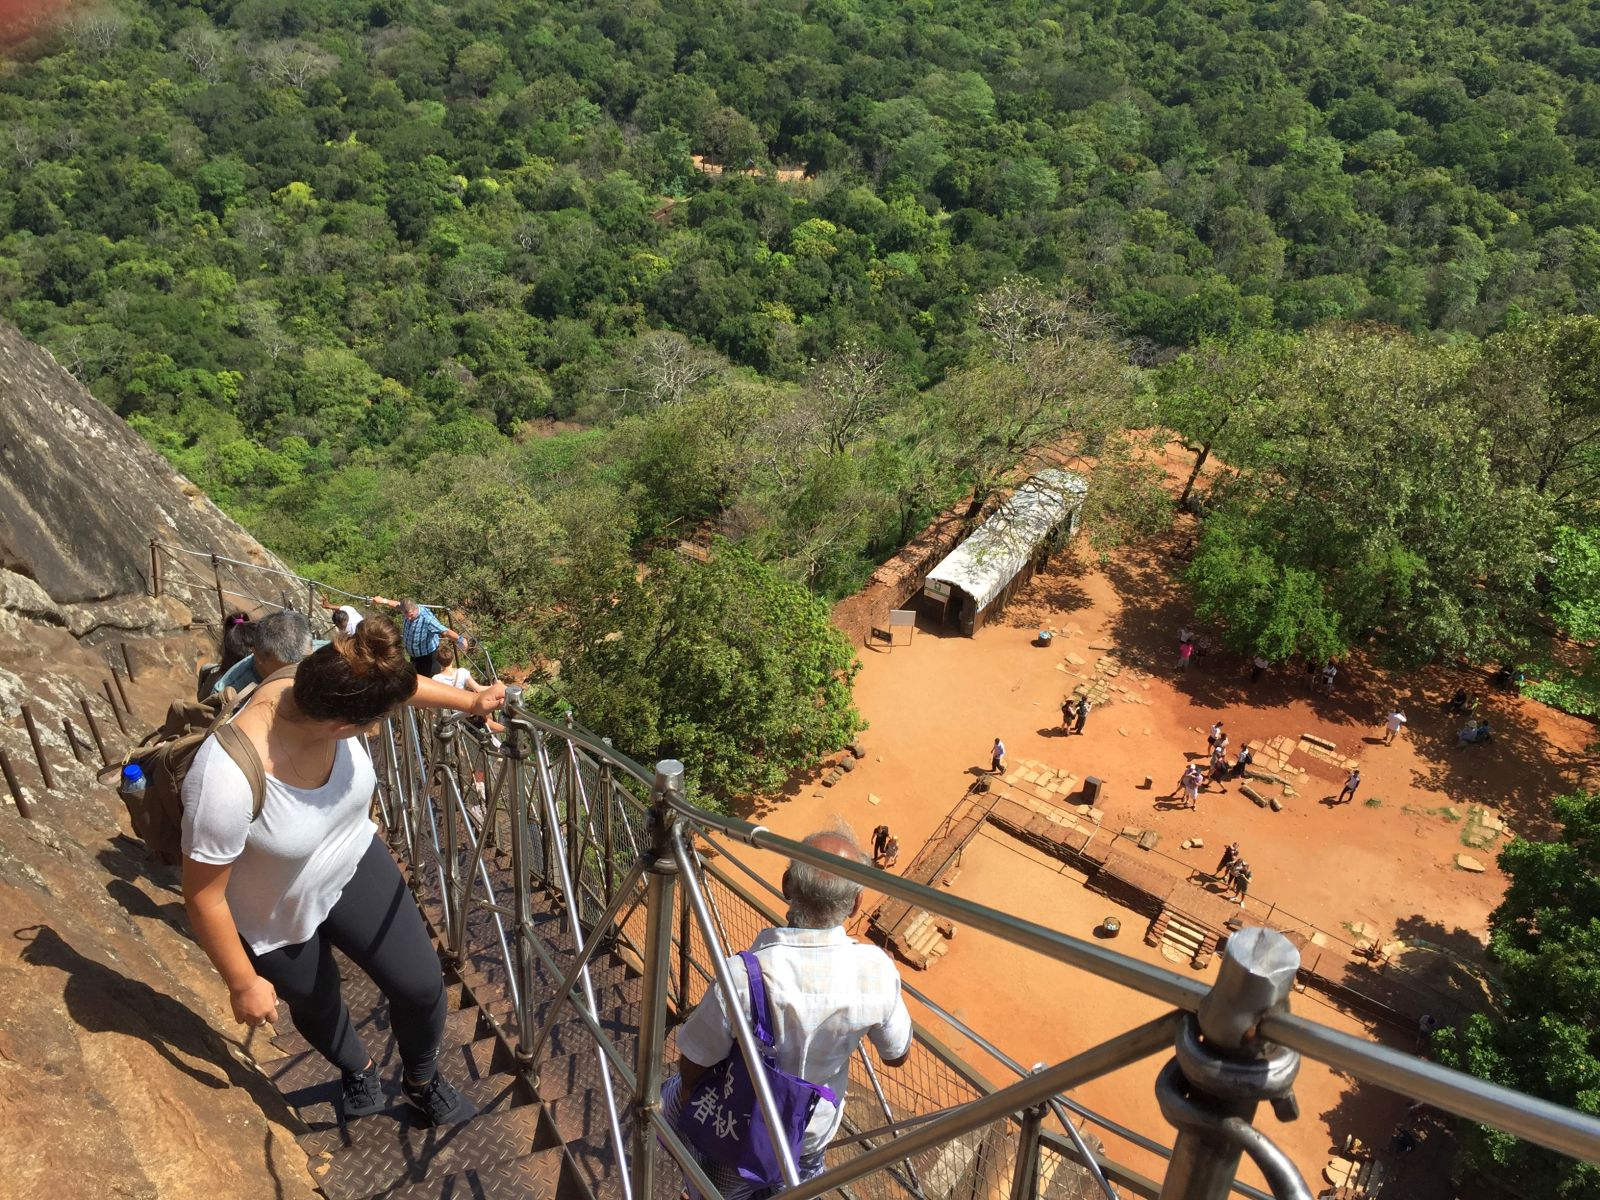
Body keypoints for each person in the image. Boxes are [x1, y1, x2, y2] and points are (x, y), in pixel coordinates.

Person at [181, 620, 509, 1126]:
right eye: (371, 725)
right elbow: (203, 896)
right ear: (341, 726)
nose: (377, 730)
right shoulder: (223, 779)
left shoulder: (316, 676)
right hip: (273, 911)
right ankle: (358, 1068)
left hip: (352, 859)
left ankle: (421, 1081)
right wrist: (242, 981)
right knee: (318, 1003)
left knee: (421, 986)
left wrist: (470, 703)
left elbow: (393, 684)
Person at [662, 828, 913, 1200]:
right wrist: (888, 976)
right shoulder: (876, 971)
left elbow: (695, 1059)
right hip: (808, 1134)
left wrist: (683, 1092)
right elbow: (897, 1055)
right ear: (856, 904)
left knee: (663, 1101)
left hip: (739, 1128)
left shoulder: (744, 974)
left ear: (786, 885)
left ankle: (701, 1190)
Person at [212, 610, 317, 696]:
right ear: (258, 655)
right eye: (286, 670)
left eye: (305, 662)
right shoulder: (227, 694)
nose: (297, 676)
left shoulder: (327, 653)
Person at [370, 596, 464, 678]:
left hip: (428, 658)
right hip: (415, 657)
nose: (408, 618)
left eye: (411, 616)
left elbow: (445, 631)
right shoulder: (407, 610)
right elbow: (397, 605)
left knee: (429, 683)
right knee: (416, 679)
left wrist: (460, 639)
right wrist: (383, 601)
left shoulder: (427, 619)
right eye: (406, 616)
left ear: (415, 609)